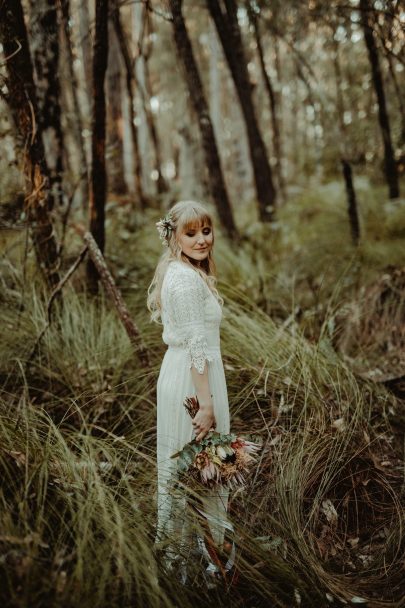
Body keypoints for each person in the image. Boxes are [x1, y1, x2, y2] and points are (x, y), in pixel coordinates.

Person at [147, 200, 232, 581]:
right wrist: (207, 404)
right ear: (174, 238)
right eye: (191, 233)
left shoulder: (188, 271)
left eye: (206, 231)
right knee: (195, 467)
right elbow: (197, 343)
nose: (201, 240)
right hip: (193, 380)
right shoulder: (182, 278)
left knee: (204, 468)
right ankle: (193, 563)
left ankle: (204, 555)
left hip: (196, 374)